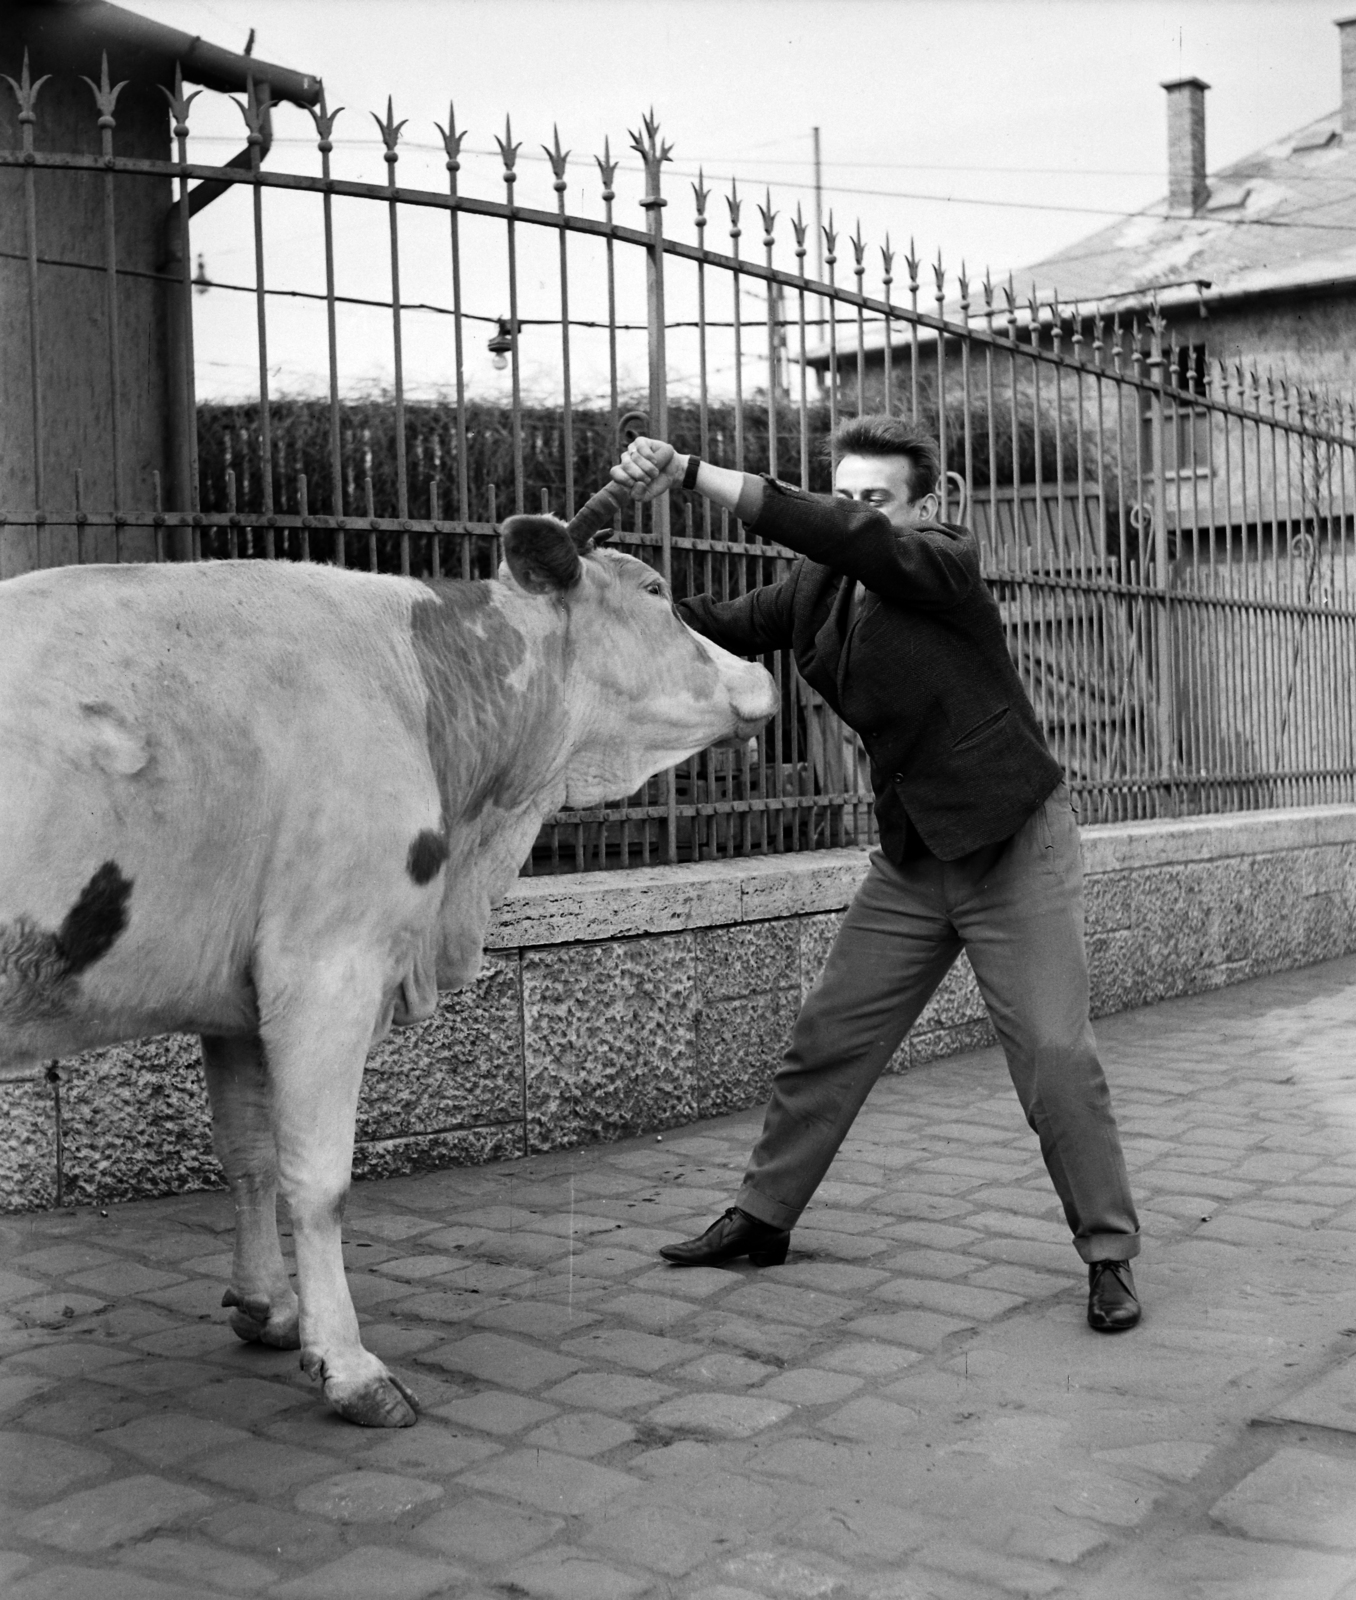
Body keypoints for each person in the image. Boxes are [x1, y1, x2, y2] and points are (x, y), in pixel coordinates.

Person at [609, 418, 1141, 1333]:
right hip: (913, 859)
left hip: (1011, 844)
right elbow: (716, 625)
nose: (852, 512)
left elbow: (853, 539)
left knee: (1055, 1060)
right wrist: (608, 589)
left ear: (923, 505)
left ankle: (1109, 1254)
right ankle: (763, 1218)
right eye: (842, 492)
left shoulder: (943, 562)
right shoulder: (817, 588)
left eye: (874, 498)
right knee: (827, 1040)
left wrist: (693, 471)